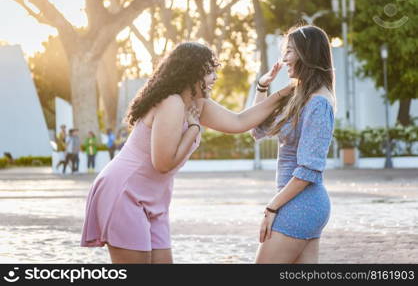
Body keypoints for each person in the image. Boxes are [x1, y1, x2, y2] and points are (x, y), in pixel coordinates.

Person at [80, 42, 294, 264]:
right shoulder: (171, 102)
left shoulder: (197, 104)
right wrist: (193, 129)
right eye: (209, 71)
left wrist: (282, 91)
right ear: (191, 72)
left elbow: (239, 121)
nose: (215, 77)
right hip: (125, 190)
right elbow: (163, 163)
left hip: (154, 198)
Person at [251, 25, 336, 264]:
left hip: (301, 205)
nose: (285, 58)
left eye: (290, 51)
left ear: (306, 54)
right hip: (299, 204)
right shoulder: (298, 95)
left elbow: (309, 169)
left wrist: (271, 208)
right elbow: (258, 129)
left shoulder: (319, 103)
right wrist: (263, 87)